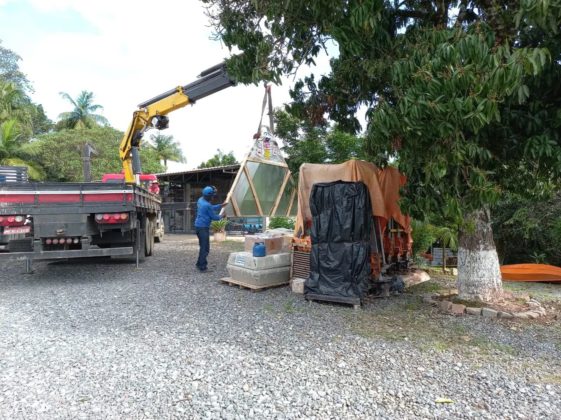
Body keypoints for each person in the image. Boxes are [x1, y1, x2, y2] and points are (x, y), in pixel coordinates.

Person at [194, 186, 227, 272]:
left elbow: (211, 207)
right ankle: (202, 267)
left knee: (203, 247)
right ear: (209, 196)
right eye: (212, 195)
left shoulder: (200, 200)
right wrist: (222, 216)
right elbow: (214, 217)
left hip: (198, 226)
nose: (213, 197)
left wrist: (220, 206)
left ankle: (199, 264)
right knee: (205, 249)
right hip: (203, 228)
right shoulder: (206, 205)